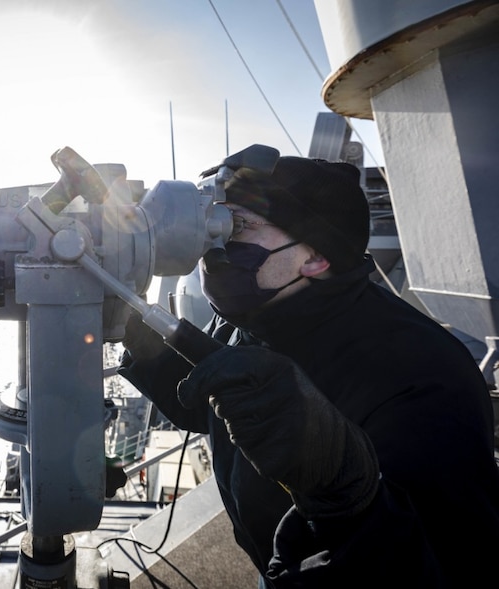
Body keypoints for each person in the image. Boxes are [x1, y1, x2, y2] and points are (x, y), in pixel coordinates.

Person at [117, 149, 499, 588]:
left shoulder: (423, 377)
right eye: (213, 219)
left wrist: (343, 487)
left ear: (316, 258)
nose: (212, 243)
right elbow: (201, 401)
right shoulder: (258, 315)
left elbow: (435, 566)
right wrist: (129, 325)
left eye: (237, 226)